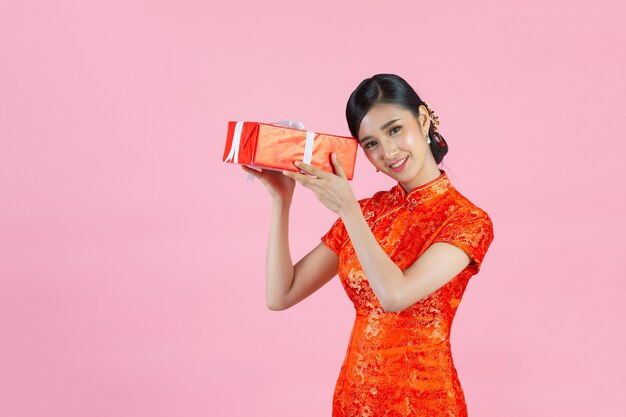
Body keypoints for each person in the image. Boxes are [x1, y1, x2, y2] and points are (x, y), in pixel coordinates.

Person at [240, 73, 494, 417]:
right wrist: (281, 200)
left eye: (394, 130)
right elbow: (281, 294)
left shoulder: (467, 220)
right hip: (354, 400)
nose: (388, 152)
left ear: (422, 119)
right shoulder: (369, 213)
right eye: (370, 143)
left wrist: (348, 210)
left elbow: (395, 296)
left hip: (424, 402)